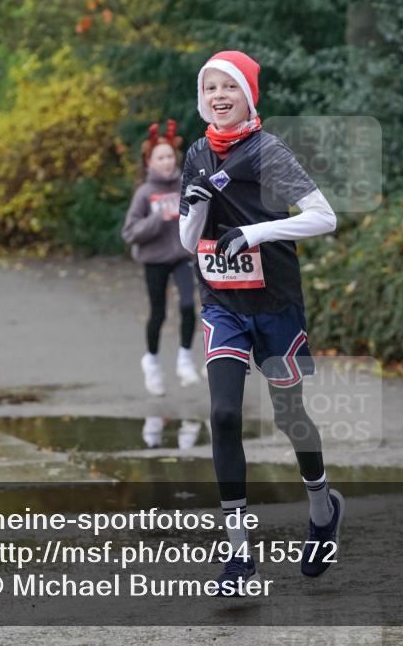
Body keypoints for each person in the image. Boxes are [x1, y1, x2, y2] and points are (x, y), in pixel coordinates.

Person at [178, 50, 341, 595]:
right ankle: (238, 553)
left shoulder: (267, 150)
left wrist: (255, 233)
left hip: (274, 303)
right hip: (222, 303)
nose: (218, 96)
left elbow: (324, 217)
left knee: (290, 413)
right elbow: (185, 241)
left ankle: (321, 505)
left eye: (229, 87)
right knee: (223, 415)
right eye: (210, 88)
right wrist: (195, 209)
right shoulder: (197, 152)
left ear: (248, 95)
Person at [122, 120, 201, 396]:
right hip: (155, 259)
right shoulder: (144, 194)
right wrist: (157, 218)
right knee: (158, 313)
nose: (167, 162)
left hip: (182, 255)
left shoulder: (186, 185)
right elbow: (130, 233)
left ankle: (185, 359)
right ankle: (152, 363)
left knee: (189, 305)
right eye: (161, 158)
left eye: (170, 156)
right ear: (150, 163)